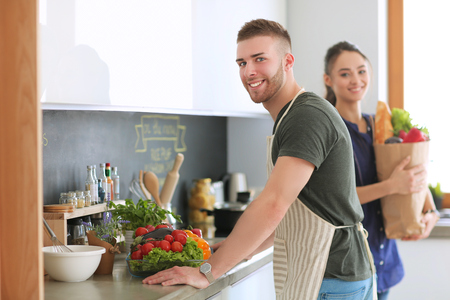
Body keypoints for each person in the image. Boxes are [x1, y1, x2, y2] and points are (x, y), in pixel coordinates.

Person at [143, 19, 376, 299]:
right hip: (335, 274)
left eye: (260, 59)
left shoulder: (306, 117)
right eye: (242, 63)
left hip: (331, 276)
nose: (249, 71)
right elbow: (294, 213)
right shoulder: (292, 115)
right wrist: (237, 250)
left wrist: (208, 271)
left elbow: (273, 205)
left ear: (287, 61)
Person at [322, 41, 440, 300]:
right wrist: (392, 186)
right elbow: (337, 198)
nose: (356, 79)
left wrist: (430, 212)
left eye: (362, 71)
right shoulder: (329, 131)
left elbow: (413, 172)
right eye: (345, 73)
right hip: (348, 268)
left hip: (385, 259)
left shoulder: (383, 126)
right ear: (328, 80)